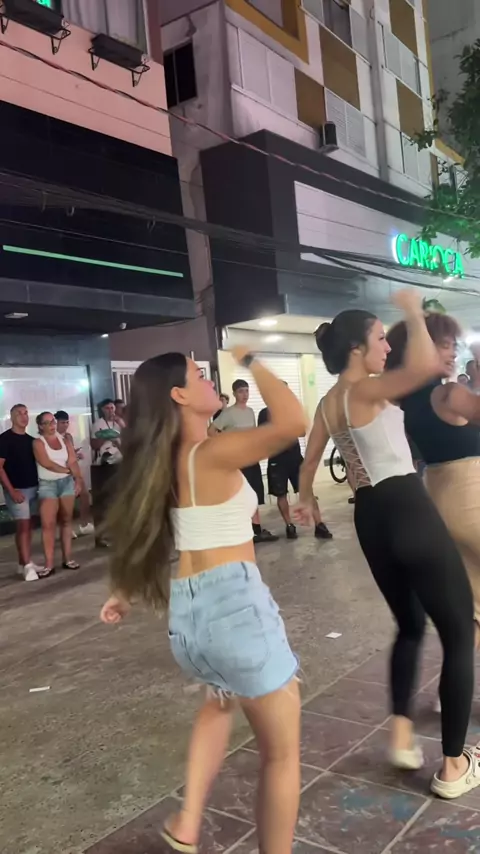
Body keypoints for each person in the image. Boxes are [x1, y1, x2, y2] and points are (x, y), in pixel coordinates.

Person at [100, 349, 306, 854]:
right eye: (199, 375)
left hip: (191, 618)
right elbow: (293, 422)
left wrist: (124, 592)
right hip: (234, 604)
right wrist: (253, 360)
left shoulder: (166, 461)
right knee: (282, 755)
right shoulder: (210, 453)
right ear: (179, 395)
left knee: (220, 700)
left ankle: (189, 820)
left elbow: (152, 535)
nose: (210, 379)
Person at [295, 289, 480, 800]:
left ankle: (401, 731)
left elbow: (309, 462)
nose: (385, 346)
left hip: (370, 517)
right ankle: (454, 765)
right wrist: (414, 312)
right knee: (459, 630)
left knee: (411, 625)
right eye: (379, 338)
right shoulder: (369, 388)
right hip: (407, 506)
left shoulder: (329, 404)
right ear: (357, 349)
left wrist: (307, 499)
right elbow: (423, 366)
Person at [387, 313, 480, 647]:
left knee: (475, 606)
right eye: (444, 345)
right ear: (418, 349)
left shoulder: (405, 402)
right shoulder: (448, 394)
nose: (453, 352)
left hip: (442, 502)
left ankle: (457, 675)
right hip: (473, 499)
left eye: (454, 345)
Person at [209, 379, 278, 544]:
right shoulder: (228, 413)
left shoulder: (250, 411)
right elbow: (211, 431)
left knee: (254, 493)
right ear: (234, 394)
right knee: (240, 495)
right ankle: (243, 530)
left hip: (251, 459)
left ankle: (257, 530)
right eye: (241, 391)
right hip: (237, 461)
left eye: (246, 391)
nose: (244, 394)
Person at [258, 401, 332, 540]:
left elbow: (302, 432)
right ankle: (289, 526)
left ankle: (319, 524)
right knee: (281, 494)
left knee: (307, 491)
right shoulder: (264, 414)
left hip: (295, 457)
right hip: (276, 459)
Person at [33, 412, 83, 575]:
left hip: (66, 483)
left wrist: (78, 479)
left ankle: (67, 559)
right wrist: (68, 471)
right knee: (48, 524)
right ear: (40, 426)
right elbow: (46, 463)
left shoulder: (65, 440)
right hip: (48, 484)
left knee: (67, 520)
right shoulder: (38, 442)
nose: (52, 425)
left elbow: (72, 460)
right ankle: (49, 564)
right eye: (47, 423)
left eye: (53, 421)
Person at [0, 404, 46, 581]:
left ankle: (24, 562)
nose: (23, 416)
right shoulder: (4, 439)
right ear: (12, 417)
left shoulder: (31, 440)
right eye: (19, 413)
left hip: (34, 488)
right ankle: (27, 566)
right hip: (18, 490)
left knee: (28, 526)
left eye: (26, 413)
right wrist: (11, 491)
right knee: (23, 526)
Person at [55, 410, 94, 536]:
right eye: (62, 422)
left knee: (85, 495)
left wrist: (76, 454)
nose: (65, 425)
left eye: (67, 422)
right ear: (56, 423)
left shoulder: (68, 436)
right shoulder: (53, 438)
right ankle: (67, 529)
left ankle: (84, 524)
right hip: (61, 472)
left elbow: (70, 453)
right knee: (66, 502)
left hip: (74, 471)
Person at [90, 399, 123, 548]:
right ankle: (101, 536)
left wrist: (120, 424)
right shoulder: (98, 424)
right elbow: (94, 445)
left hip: (119, 461)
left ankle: (117, 534)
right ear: (102, 410)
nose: (111, 411)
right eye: (108, 408)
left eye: (112, 408)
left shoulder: (119, 423)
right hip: (104, 464)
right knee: (103, 502)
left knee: (118, 500)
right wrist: (105, 437)